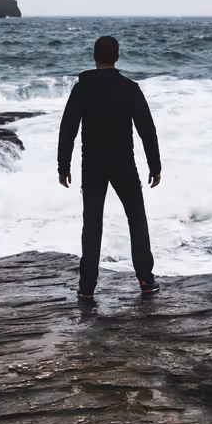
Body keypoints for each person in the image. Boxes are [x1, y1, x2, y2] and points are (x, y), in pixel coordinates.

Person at [57, 35, 162, 299]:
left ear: (95, 56)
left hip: (92, 163)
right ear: (118, 56)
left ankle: (87, 287)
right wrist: (155, 165)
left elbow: (67, 128)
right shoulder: (130, 87)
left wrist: (63, 165)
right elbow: (147, 130)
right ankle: (146, 281)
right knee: (136, 220)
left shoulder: (82, 88)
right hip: (123, 163)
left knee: (92, 224)